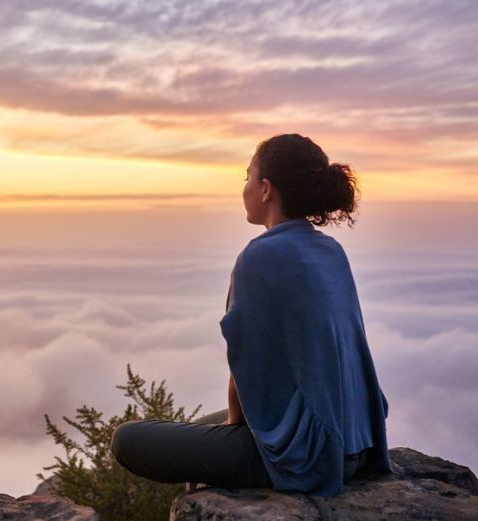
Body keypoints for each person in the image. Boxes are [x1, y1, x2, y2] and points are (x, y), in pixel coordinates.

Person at [110, 133, 393, 497]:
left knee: (129, 439)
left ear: (265, 189)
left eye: (247, 177)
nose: (243, 187)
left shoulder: (260, 256)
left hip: (312, 457)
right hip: (359, 442)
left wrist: (234, 430)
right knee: (198, 426)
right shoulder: (330, 250)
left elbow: (246, 370)